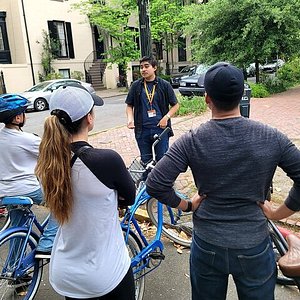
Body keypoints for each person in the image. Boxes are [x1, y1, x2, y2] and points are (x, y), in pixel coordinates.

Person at [146, 62, 300, 300]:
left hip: (208, 244)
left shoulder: (191, 140)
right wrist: (277, 213)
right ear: (241, 96)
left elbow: (156, 183)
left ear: (207, 99)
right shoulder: (271, 137)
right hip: (254, 244)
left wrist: (187, 205)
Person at [35, 86, 136, 300]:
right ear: (89, 119)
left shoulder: (48, 164)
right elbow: (130, 196)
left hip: (66, 275)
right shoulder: (106, 160)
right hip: (105, 274)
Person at [0, 93, 58, 259]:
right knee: (61, 203)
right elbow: (51, 156)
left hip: (5, 192)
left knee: (18, 228)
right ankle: (47, 244)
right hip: (28, 189)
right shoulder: (27, 139)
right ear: (18, 117)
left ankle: (13, 270)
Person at [125, 56, 179, 165]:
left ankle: (164, 182)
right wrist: (130, 119)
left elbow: (175, 105)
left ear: (154, 68)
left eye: (146, 66)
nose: (143, 69)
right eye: (141, 67)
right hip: (142, 130)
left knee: (162, 160)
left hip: (160, 129)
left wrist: (166, 118)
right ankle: (146, 181)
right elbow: (129, 105)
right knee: (146, 161)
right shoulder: (136, 86)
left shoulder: (164, 85)